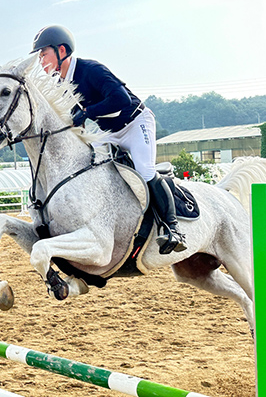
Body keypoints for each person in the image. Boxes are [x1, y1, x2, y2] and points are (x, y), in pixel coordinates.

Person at [30, 25, 185, 254]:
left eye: (43, 54)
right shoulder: (61, 83)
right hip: (108, 133)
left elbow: (120, 99)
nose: (40, 60)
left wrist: (87, 112)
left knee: (145, 170)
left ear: (61, 50)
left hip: (135, 123)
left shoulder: (90, 70)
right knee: (89, 165)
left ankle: (172, 228)